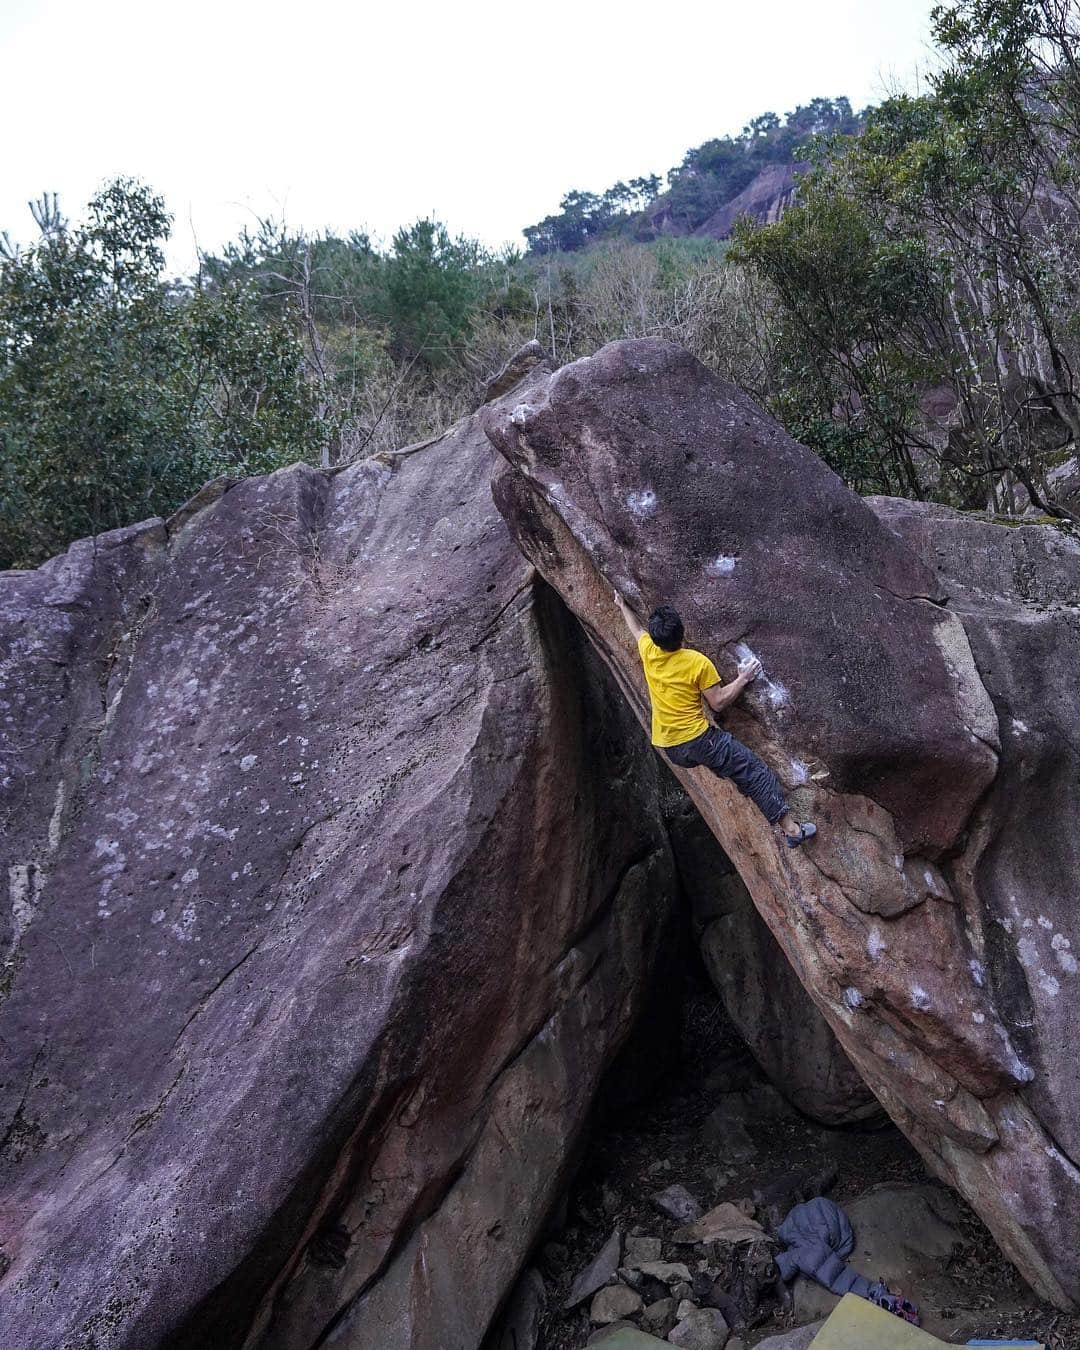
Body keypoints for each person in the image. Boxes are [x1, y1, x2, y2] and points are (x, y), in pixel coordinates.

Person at [614, 592, 816, 848]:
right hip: (698, 740)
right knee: (754, 771)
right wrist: (743, 678)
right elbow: (718, 701)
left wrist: (622, 605)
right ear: (681, 632)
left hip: (670, 746)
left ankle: (756, 795)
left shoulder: (650, 651)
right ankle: (792, 831)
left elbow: (636, 629)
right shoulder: (696, 663)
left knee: (736, 769)